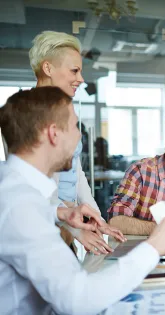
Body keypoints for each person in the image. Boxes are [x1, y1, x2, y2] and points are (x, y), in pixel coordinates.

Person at [0, 87, 165, 314]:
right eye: (74, 126)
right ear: (53, 133)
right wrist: (153, 247)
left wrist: (58, 213)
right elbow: (78, 299)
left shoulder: (12, 186)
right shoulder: (21, 206)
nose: (80, 136)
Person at [30, 30, 121, 254]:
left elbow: (76, 173)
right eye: (74, 70)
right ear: (48, 68)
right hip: (42, 234)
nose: (81, 79)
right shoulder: (25, 116)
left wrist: (97, 219)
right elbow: (34, 190)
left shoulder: (63, 113)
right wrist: (76, 226)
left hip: (66, 230)